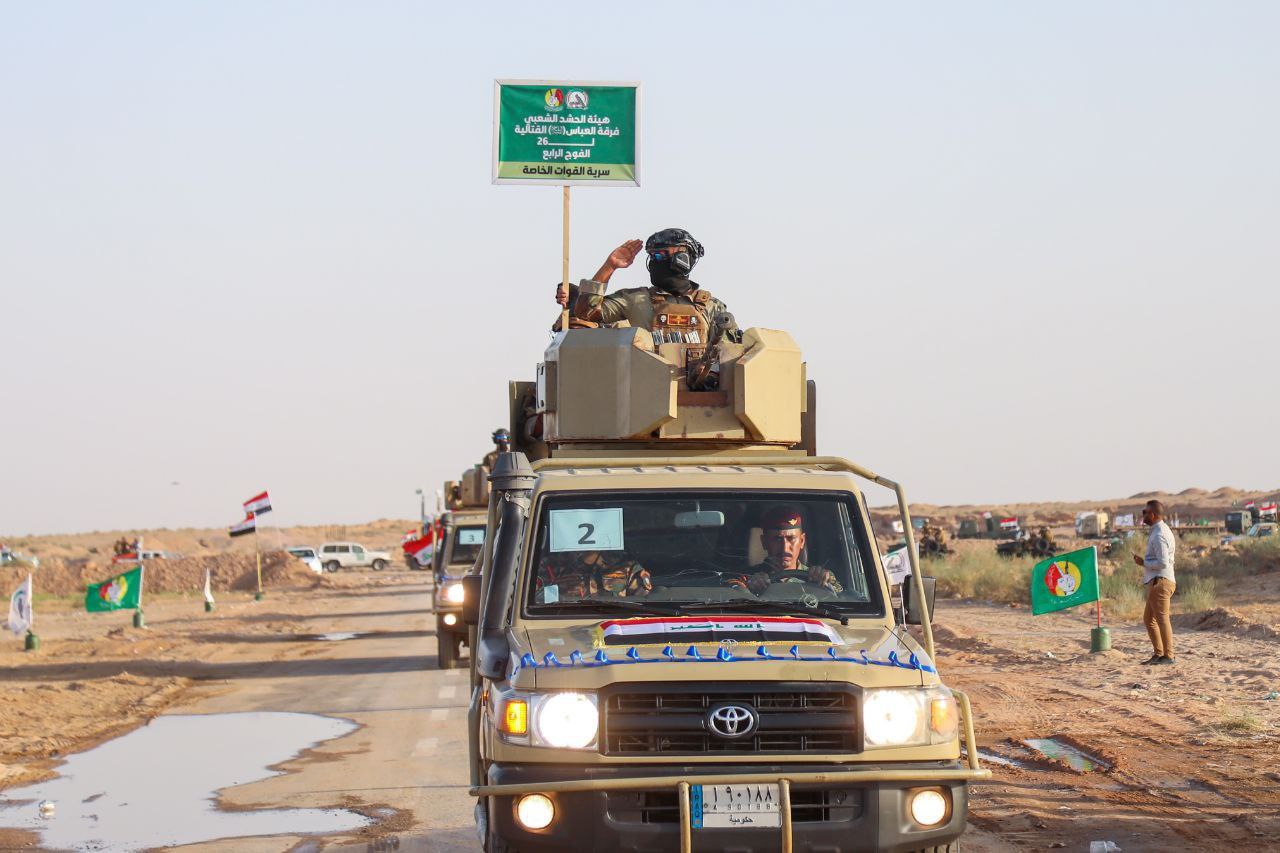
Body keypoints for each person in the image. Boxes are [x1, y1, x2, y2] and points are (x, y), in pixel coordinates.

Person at [565, 229, 740, 343]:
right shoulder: (634, 299)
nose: (655, 262)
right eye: (652, 256)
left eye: (661, 255)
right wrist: (609, 266)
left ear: (684, 257)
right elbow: (585, 312)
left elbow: (728, 356)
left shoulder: (711, 307)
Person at [744, 505, 843, 594]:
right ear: (764, 542)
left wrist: (823, 582)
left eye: (791, 538)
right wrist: (750, 588)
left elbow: (843, 597)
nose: (785, 548)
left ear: (802, 541)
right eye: (777, 539)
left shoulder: (818, 577)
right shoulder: (749, 578)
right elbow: (735, 592)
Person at [1133, 499, 1177, 665]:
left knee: (1162, 619)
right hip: (1157, 581)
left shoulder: (1159, 535)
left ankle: (1168, 656)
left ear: (1152, 514)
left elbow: (1163, 562)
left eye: (1145, 512)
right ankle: (1159, 654)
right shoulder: (1158, 531)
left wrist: (1143, 563)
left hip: (1161, 581)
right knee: (1149, 619)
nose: (1143, 515)